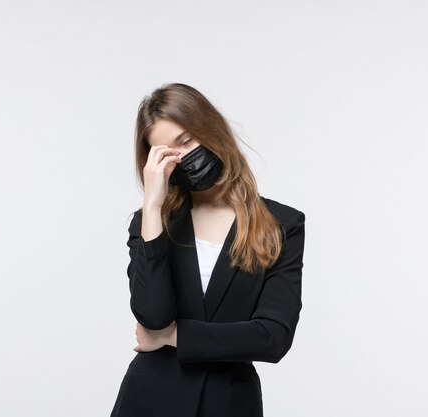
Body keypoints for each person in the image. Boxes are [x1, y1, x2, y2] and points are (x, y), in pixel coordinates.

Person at [110, 83, 306, 417]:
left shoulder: (281, 224)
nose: (183, 158)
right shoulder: (150, 224)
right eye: (167, 153)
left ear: (211, 128)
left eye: (186, 141)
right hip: (149, 400)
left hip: (229, 403)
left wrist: (174, 336)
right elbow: (153, 317)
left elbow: (272, 337)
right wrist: (153, 207)